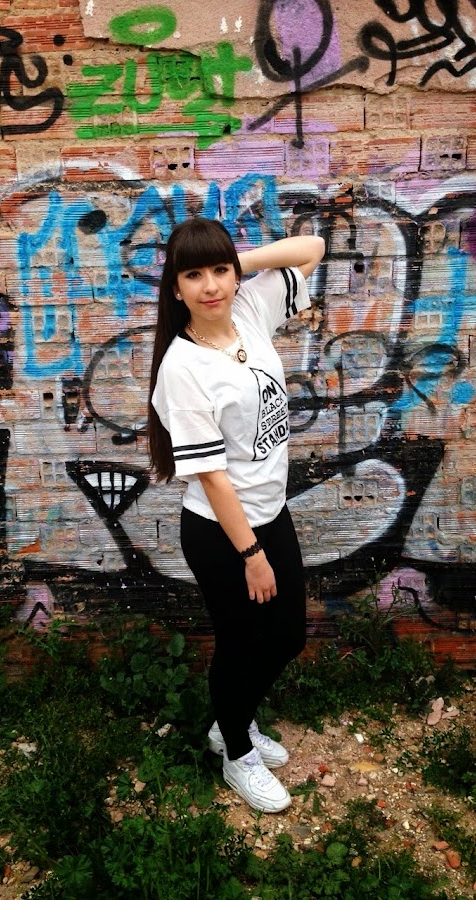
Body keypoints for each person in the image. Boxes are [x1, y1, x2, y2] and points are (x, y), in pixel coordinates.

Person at [148, 217, 325, 813]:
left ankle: (231, 722)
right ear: (175, 288)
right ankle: (237, 754)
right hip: (222, 532)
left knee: (288, 636)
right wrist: (251, 554)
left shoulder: (250, 308)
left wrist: (234, 268)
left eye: (218, 271)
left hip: (272, 511)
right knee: (242, 643)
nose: (210, 286)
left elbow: (312, 248)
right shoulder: (182, 367)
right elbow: (212, 476)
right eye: (192, 276)